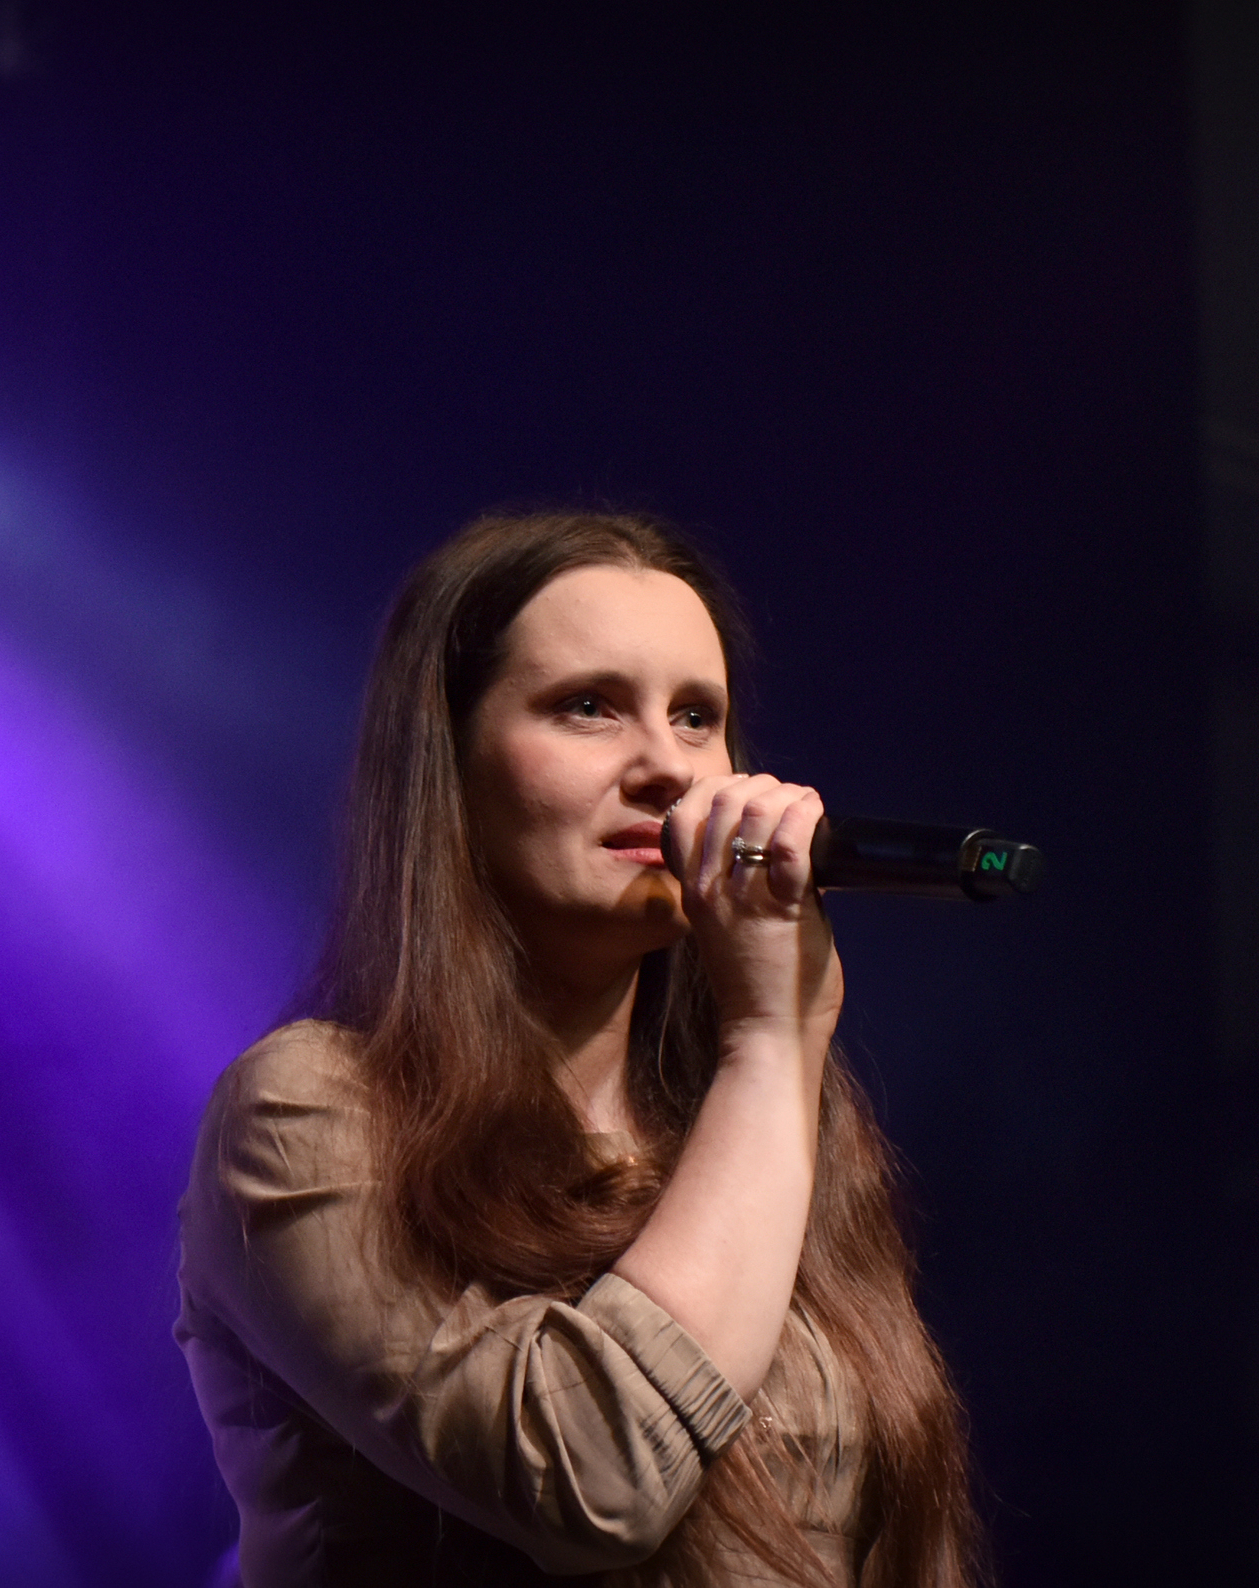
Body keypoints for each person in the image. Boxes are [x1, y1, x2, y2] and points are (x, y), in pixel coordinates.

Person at [175, 512, 978, 1586]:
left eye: (696, 717)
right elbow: (593, 1476)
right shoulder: (313, 1112)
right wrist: (771, 1039)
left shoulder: (761, 1121)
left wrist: (767, 1061)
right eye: (588, 707)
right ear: (450, 764)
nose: (667, 768)